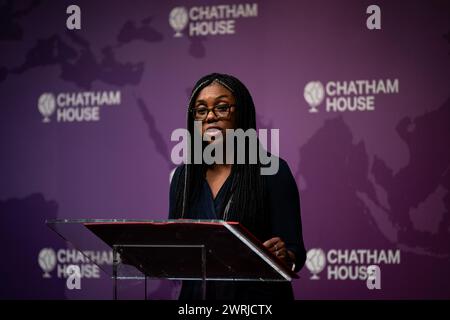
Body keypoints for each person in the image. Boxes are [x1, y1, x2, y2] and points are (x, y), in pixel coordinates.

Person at [169, 73, 306, 300]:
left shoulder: (272, 171)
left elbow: (295, 251)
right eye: (201, 110)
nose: (210, 117)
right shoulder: (184, 177)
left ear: (241, 114)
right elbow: (175, 247)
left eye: (222, 108)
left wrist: (285, 254)